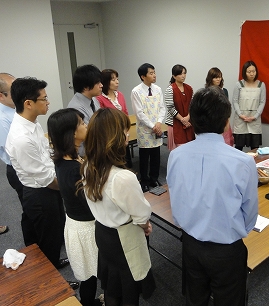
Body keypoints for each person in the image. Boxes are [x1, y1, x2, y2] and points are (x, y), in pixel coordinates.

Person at [167, 87, 259, 306]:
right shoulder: (243, 162)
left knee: (195, 298)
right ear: (226, 122)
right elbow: (250, 214)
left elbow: (176, 199)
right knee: (229, 300)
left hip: (190, 243)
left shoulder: (175, 155)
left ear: (194, 119)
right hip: (227, 249)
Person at [82, 108, 155, 306]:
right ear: (114, 136)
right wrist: (145, 226)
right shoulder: (123, 177)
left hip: (103, 232)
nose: (127, 133)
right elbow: (141, 216)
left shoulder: (88, 165)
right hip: (124, 238)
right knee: (129, 287)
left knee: (112, 284)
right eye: (124, 130)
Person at [5, 77, 69, 270]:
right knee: (48, 239)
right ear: (28, 103)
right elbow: (46, 179)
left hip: (47, 186)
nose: (48, 102)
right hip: (40, 193)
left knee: (55, 231)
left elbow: (46, 156)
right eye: (44, 99)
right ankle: (50, 280)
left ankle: (53, 264)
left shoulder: (32, 123)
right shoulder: (21, 138)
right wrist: (68, 186)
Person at [47, 109, 99, 306]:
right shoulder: (71, 171)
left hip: (78, 223)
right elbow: (90, 203)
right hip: (85, 227)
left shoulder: (68, 158)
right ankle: (88, 302)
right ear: (71, 133)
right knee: (89, 275)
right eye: (81, 123)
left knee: (90, 272)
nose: (86, 125)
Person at [131, 63, 166, 192]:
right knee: (145, 157)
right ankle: (144, 180)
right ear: (143, 76)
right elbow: (139, 113)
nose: (154, 75)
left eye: (154, 72)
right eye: (151, 73)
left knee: (156, 155)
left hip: (157, 127)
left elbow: (162, 108)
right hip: (145, 130)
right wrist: (153, 126)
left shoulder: (158, 89)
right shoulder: (136, 91)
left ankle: (154, 178)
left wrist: (159, 123)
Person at [96, 68, 132, 168]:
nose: (117, 82)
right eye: (113, 80)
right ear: (106, 82)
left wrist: (126, 133)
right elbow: (103, 121)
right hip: (111, 136)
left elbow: (125, 114)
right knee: (115, 164)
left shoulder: (120, 95)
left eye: (117, 79)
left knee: (126, 162)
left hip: (123, 134)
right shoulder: (99, 98)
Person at [0, 72, 21, 236]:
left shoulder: (13, 109)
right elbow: (12, 150)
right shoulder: (2, 118)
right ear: (1, 96)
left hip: (24, 164)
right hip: (17, 168)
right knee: (31, 210)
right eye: (14, 90)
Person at [68, 64, 102, 156]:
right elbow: (89, 133)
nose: (101, 85)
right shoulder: (76, 107)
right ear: (86, 87)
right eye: (98, 83)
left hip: (97, 149)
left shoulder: (94, 99)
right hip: (86, 153)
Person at [232, 61, 266, 151]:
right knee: (238, 147)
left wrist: (255, 116)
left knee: (255, 149)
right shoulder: (239, 84)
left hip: (254, 120)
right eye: (249, 72)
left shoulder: (261, 85)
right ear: (244, 72)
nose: (251, 74)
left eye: (253, 71)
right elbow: (235, 101)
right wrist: (240, 114)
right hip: (241, 120)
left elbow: (262, 102)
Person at [164, 64, 194, 150]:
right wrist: (182, 119)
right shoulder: (170, 89)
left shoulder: (189, 88)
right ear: (174, 76)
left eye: (184, 73)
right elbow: (170, 108)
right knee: (178, 150)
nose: (183, 76)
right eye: (180, 74)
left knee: (189, 148)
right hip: (175, 123)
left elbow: (193, 105)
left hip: (188, 122)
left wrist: (188, 117)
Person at [205, 67, 234, 146]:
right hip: (212, 123)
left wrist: (227, 120)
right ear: (211, 78)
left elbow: (227, 107)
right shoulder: (207, 92)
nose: (218, 79)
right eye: (215, 77)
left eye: (220, 77)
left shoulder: (224, 91)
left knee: (227, 143)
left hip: (223, 120)